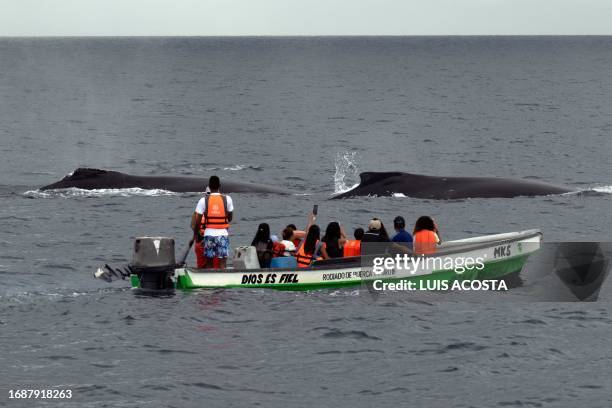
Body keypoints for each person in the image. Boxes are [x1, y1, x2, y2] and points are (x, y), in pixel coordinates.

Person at [191, 176, 234, 269]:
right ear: (220, 186)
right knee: (222, 263)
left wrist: (194, 236)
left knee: (209, 263)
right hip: (222, 235)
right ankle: (223, 282)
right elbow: (230, 218)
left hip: (209, 235)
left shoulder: (203, 201)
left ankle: (209, 281)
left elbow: (197, 222)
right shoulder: (228, 199)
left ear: (209, 186)